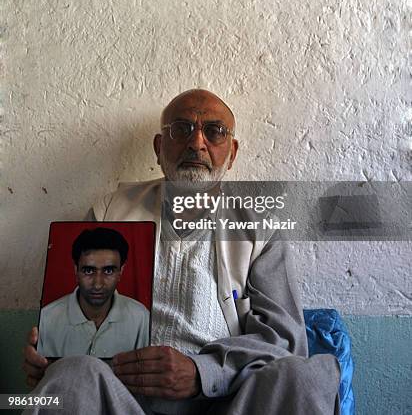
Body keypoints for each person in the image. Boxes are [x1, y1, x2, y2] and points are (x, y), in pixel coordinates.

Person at [23, 89, 340, 414]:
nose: (197, 143)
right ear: (160, 148)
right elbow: (77, 314)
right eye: (182, 129)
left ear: (231, 153)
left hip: (228, 400)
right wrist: (51, 358)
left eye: (214, 132)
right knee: (71, 376)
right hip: (124, 398)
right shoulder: (110, 213)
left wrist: (203, 372)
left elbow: (285, 342)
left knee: (303, 376)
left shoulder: (260, 228)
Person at [37, 227, 150, 358]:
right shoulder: (47, 318)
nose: (97, 284)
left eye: (108, 271)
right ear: (76, 270)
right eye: (89, 271)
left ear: (121, 272)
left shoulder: (141, 317)